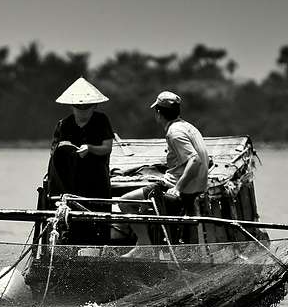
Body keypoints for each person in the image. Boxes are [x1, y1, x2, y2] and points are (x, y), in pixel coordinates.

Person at [117, 91, 209, 244]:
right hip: (198, 185)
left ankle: (145, 246)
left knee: (124, 202)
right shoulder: (188, 127)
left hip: (176, 185)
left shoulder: (174, 132)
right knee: (145, 206)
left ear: (159, 113)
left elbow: (195, 160)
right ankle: (144, 244)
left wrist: (178, 188)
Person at [44, 77, 115, 244]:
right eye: (78, 106)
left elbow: (107, 147)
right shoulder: (64, 124)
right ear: (71, 106)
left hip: (97, 178)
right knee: (72, 220)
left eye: (86, 106)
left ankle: (100, 248)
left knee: (99, 216)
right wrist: (70, 151)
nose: (82, 109)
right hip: (71, 182)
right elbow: (55, 154)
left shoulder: (101, 120)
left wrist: (89, 148)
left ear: (95, 106)